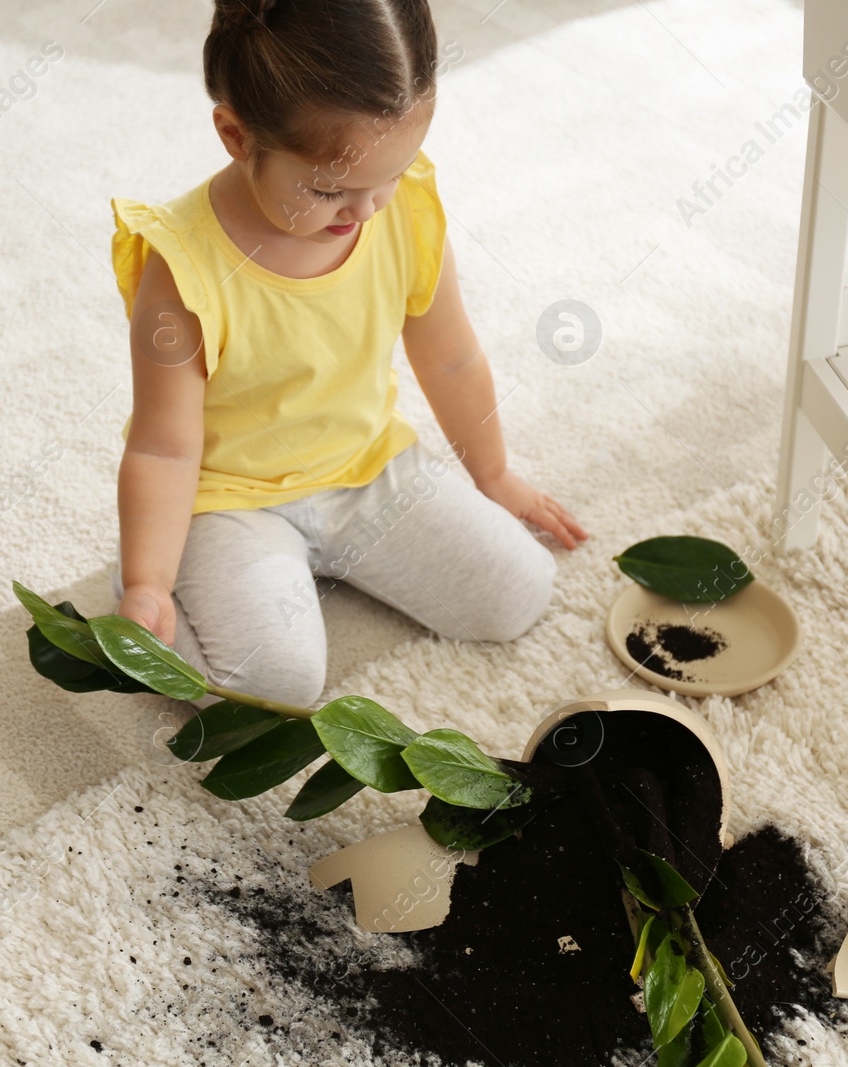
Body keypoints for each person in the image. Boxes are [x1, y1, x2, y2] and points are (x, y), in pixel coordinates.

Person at [107, 0, 588, 710]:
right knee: (276, 683)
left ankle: (308, 567)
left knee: (520, 589)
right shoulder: (183, 272)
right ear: (237, 137)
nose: (364, 212)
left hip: (367, 469)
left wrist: (496, 475)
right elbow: (163, 450)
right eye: (329, 189)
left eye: (386, 179)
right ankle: (151, 587)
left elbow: (451, 358)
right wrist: (149, 581)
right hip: (232, 501)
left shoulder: (402, 212)